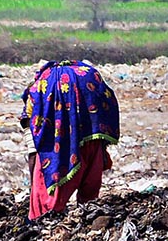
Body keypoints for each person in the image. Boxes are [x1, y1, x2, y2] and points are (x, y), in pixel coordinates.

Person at [20, 60, 119, 221]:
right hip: (93, 144)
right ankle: (88, 219)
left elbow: (33, 150)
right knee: (89, 203)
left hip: (61, 154)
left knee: (44, 212)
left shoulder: (35, 101)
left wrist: (35, 187)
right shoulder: (86, 79)